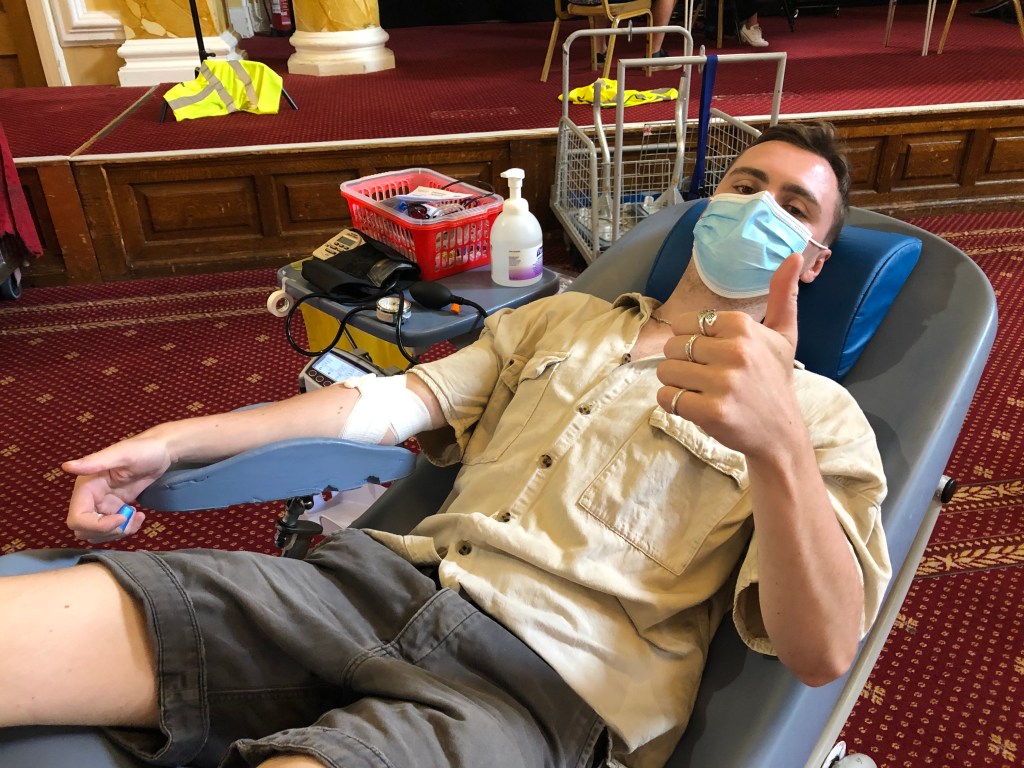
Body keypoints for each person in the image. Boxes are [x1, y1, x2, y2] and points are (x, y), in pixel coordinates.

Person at [0, 121, 890, 768]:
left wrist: (778, 448)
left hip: (538, 686)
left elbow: (821, 651)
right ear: (705, 208)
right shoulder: (562, 320)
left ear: (812, 260)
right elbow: (380, 405)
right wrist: (171, 438)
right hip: (374, 587)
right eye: (744, 186)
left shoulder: (818, 415)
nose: (758, 209)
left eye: (792, 207)